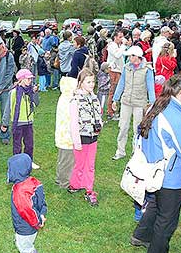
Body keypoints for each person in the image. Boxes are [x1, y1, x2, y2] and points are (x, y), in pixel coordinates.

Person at [130, 74, 181, 253]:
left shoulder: (157, 105)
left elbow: (139, 135)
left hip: (153, 169)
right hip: (170, 175)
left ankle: (140, 236)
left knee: (156, 205)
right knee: (167, 219)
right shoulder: (176, 117)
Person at [111, 45, 155, 160]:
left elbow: (151, 88)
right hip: (126, 101)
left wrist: (152, 103)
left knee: (137, 129)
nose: (129, 58)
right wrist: (115, 99)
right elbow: (121, 84)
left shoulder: (147, 70)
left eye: (131, 56)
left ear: (137, 56)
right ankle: (120, 151)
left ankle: (136, 152)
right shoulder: (126, 68)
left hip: (140, 103)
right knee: (123, 127)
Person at [68, 68, 103, 206]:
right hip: (81, 138)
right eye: (88, 82)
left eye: (93, 81)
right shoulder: (75, 100)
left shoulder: (94, 98)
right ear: (81, 83)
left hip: (93, 137)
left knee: (90, 165)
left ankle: (89, 189)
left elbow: (99, 114)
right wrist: (76, 141)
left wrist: (99, 125)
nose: (91, 84)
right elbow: (73, 123)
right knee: (80, 164)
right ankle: (75, 184)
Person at [7, 153, 47, 253]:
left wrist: (37, 222)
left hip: (25, 227)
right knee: (26, 245)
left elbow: (27, 210)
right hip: (32, 225)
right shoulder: (33, 182)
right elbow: (41, 202)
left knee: (25, 248)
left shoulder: (19, 191)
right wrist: (42, 214)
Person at [2, 69, 40, 169]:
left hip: (29, 122)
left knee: (29, 144)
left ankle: (29, 161)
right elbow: (7, 108)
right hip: (17, 122)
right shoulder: (13, 92)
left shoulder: (31, 91)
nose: (30, 81)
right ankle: (17, 164)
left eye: (31, 79)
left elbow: (36, 103)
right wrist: (5, 123)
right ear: (21, 79)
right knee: (17, 145)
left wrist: (35, 93)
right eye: (28, 79)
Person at [55, 76, 77, 188]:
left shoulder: (64, 98)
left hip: (62, 136)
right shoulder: (69, 101)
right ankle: (64, 182)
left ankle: (59, 178)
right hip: (67, 137)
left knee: (62, 159)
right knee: (67, 161)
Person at [106, 30, 127, 120]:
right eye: (120, 37)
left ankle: (114, 110)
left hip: (118, 70)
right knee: (112, 92)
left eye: (122, 37)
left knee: (117, 92)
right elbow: (117, 55)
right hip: (113, 71)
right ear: (115, 37)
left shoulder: (118, 46)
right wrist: (123, 45)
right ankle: (110, 112)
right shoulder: (112, 46)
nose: (122, 39)